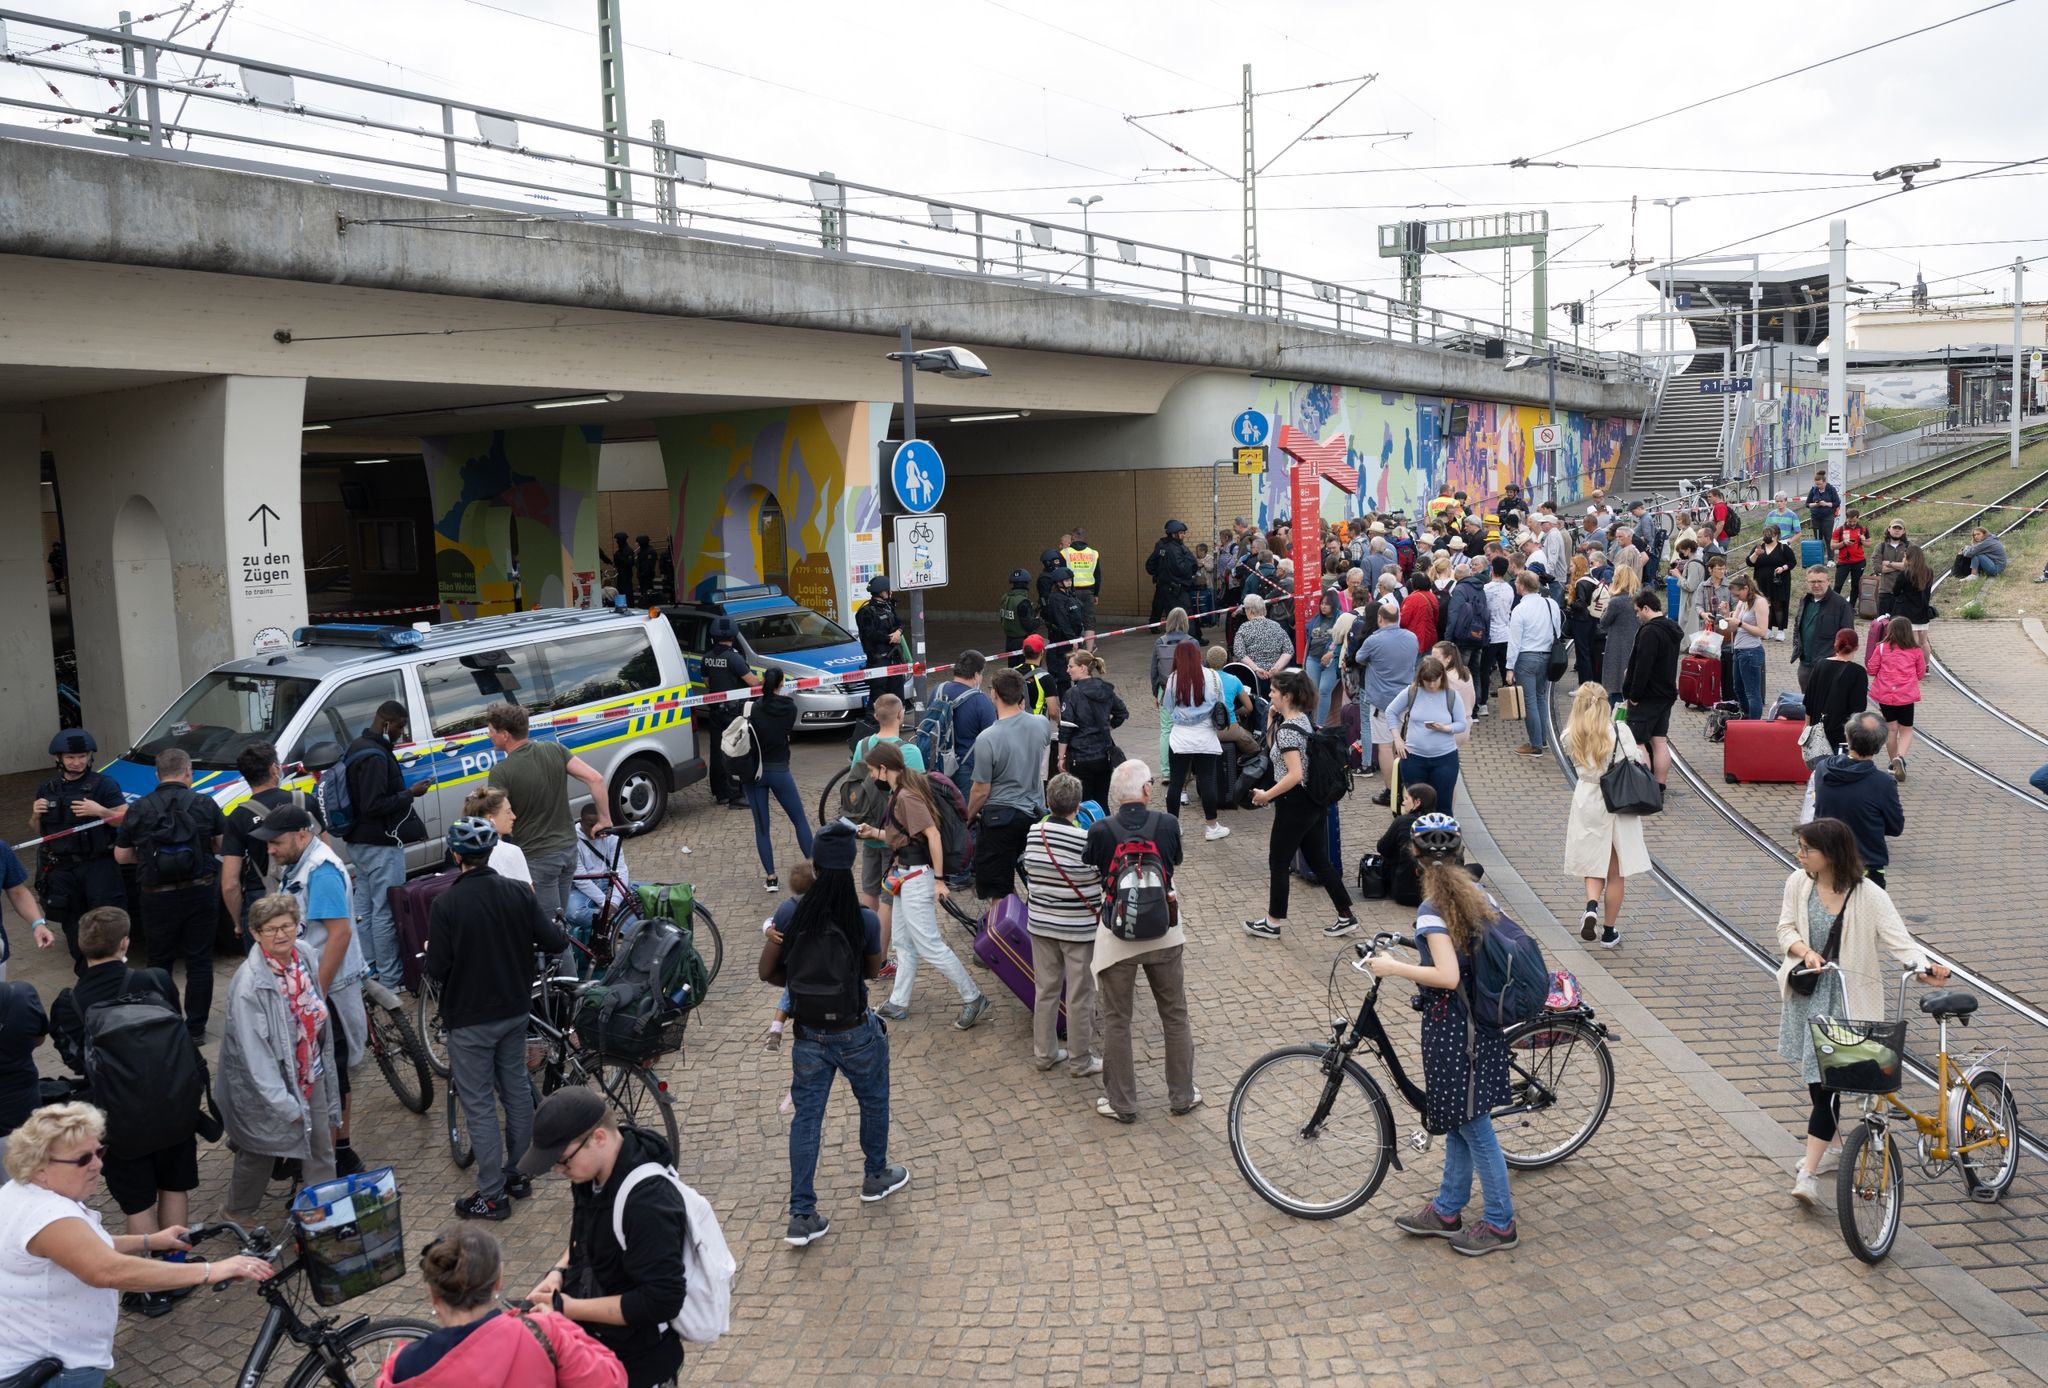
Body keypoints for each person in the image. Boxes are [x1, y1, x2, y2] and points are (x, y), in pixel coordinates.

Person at [0, 1103, 274, 1386]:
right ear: (40, 1168)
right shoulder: (49, 1215)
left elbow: (84, 1248)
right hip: (57, 1368)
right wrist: (212, 1271)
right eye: (83, 1159)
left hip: (35, 1355)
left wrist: (150, 1240)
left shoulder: (21, 1192)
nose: (98, 1165)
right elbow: (107, 1270)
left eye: (99, 1152)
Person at [1775, 817, 1947, 1205]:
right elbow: (1785, 929)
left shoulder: (1869, 895)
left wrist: (1924, 969)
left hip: (1847, 1001)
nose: (1800, 855)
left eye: (1807, 849)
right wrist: (1806, 952)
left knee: (1827, 1088)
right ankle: (1833, 1147)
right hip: (1807, 995)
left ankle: (1808, 1174)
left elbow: (1901, 942)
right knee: (1817, 1083)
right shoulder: (1798, 882)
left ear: (1831, 854)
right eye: (1800, 848)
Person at [749, 822, 903, 1251]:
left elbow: (767, 973)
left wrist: (798, 980)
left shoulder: (789, 913)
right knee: (873, 1100)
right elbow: (872, 971)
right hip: (854, 1029)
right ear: (850, 866)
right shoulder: (863, 919)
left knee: (807, 1119)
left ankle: (802, 1214)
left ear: (814, 864)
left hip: (808, 1034)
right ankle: (875, 1175)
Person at [1371, 814, 1518, 1256]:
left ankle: (1501, 1223)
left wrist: (1394, 967)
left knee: (1474, 1127)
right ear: (1458, 855)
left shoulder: (1432, 910)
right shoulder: (1477, 894)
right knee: (1459, 1119)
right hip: (1481, 1024)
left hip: (1456, 1030)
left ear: (1415, 860)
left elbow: (1448, 975)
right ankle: (1447, 1209)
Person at [46, 906, 200, 1317]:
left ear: (81, 948)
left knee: (137, 1204)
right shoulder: (157, 979)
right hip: (173, 1104)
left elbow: (74, 1058)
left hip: (117, 1119)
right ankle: (176, 1270)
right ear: (125, 943)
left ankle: (147, 1290)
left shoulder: (70, 1002)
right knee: (174, 1187)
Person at [426, 817, 570, 1221]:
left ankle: (491, 1196)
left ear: (455, 855)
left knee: (479, 1104)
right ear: (492, 852)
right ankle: (519, 1175)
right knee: (516, 1091)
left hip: (469, 1019)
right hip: (514, 1010)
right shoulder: (517, 893)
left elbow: (437, 968)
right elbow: (554, 941)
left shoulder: (446, 904)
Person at [517, 1089, 690, 1386]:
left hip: (638, 1366)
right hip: (599, 1351)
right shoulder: (591, 1173)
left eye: (563, 1161)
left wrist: (566, 1308)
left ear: (598, 1138)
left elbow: (661, 1301)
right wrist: (558, 1272)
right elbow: (588, 1236)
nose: (558, 1171)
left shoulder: (648, 1205)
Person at [255, 804, 371, 1177]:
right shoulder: (301, 864)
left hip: (328, 990)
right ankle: (336, 1150)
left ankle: (336, 1155)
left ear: (302, 836)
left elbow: (339, 935)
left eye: (276, 842)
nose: (270, 849)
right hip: (317, 989)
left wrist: (315, 994)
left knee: (331, 1074)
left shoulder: (321, 872)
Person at [215, 893, 342, 1223]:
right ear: (255, 933)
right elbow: (255, 1054)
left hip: (310, 1072)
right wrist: (285, 1104)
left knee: (320, 1146)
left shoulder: (305, 954)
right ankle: (237, 1213)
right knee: (262, 1149)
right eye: (271, 929)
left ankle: (320, 1214)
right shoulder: (249, 985)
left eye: (287, 926)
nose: (281, 934)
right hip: (268, 1086)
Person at [1085, 761, 1197, 1123]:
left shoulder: (1100, 830)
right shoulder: (1167, 824)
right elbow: (1175, 861)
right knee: (1174, 1015)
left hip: (1117, 936)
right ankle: (1182, 1095)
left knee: (1118, 1019)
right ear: (1147, 790)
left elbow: (1092, 868)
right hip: (1165, 930)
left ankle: (1123, 1103)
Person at [376, 1225, 625, 1387]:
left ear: (432, 1294)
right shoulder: (543, 1333)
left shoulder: (404, 1366)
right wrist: (559, 1324)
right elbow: (612, 1380)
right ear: (498, 1280)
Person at [859, 742, 989, 1029]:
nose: (871, 776)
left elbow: (932, 835)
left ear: (884, 768)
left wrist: (939, 881)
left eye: (872, 771)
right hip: (905, 876)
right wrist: (874, 832)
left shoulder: (906, 796)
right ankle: (898, 1002)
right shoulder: (899, 793)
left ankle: (973, 996)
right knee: (903, 942)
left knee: (929, 944)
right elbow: (904, 836)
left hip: (916, 878)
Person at [111, 747, 225, 1041]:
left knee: (159, 961)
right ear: (188, 772)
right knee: (199, 961)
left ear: (156, 774)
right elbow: (220, 844)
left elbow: (121, 856)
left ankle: (166, 1024)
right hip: (200, 891)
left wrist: (148, 861)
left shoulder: (139, 808)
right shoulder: (205, 803)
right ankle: (196, 1030)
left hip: (156, 894)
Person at [1245, 671, 1358, 942]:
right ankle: (1345, 915)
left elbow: (1294, 774)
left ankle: (1272, 922)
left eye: (1273, 691)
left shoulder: (1288, 731)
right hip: (1312, 801)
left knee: (1278, 861)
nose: (1270, 694)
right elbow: (1276, 753)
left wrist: (1267, 795)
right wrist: (1271, 719)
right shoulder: (1300, 721)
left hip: (1294, 804)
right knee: (1318, 860)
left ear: (1286, 696)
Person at [487, 702, 612, 921]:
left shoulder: (501, 772)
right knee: (560, 920)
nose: (489, 735)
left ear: (505, 734)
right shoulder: (555, 749)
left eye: (491, 731)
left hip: (538, 857)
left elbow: (497, 820)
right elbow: (596, 779)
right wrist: (605, 819)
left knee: (550, 929)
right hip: (568, 850)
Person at [337, 700, 433, 988]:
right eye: (400, 727)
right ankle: (391, 980)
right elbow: (374, 804)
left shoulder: (356, 746)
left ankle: (369, 971)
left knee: (364, 910)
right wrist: (410, 793)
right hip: (380, 844)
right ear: (387, 723)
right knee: (385, 911)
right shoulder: (376, 757)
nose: (401, 734)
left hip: (359, 842)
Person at [1015, 774, 1102, 1077]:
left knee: (1045, 991)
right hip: (1078, 928)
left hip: (1041, 924)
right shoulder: (1085, 840)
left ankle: (1045, 1053)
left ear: (1048, 802)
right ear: (1078, 806)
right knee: (1080, 995)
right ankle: (1080, 1060)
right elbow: (1098, 877)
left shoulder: (1033, 833)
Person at [32, 728, 126, 978]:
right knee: (73, 927)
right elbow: (39, 832)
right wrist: (35, 815)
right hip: (62, 869)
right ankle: (87, 976)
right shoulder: (47, 788)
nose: (77, 762)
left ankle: (112, 974)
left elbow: (126, 819)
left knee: (106, 923)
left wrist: (100, 811)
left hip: (98, 865)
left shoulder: (104, 785)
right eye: (71, 757)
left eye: (82, 756)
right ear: (59, 759)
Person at [1561, 682, 1650, 949]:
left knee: (1593, 861)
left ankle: (1591, 907)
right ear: (1605, 704)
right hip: (1618, 801)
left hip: (1588, 799)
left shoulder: (1570, 734)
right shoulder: (1619, 730)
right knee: (1615, 872)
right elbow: (1636, 759)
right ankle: (1609, 932)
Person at [221, 741, 323, 950]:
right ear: (274, 769)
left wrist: (239, 923)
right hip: (310, 892)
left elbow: (230, 884)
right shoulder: (306, 801)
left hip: (263, 900)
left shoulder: (239, 816)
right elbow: (325, 852)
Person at [966, 668, 1054, 896]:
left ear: (994, 694)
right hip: (1034, 813)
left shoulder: (986, 738)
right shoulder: (1041, 724)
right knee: (1037, 881)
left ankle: (1005, 917)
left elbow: (981, 790)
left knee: (999, 890)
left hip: (1000, 819)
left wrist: (967, 817)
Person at [724, 669, 812, 893]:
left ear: (763, 682)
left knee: (762, 826)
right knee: (799, 820)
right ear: (781, 683)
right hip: (780, 770)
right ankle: (815, 869)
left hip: (754, 773)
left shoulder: (752, 708)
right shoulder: (790, 708)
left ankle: (771, 878)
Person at [847, 694, 922, 916]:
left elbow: (855, 783)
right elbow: (920, 796)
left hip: (869, 828)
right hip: (895, 835)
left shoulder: (862, 745)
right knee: (889, 898)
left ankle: (869, 935)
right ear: (900, 715)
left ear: (876, 716)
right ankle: (882, 939)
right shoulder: (909, 752)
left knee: (869, 891)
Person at [1813, 713, 1903, 888]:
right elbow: (1895, 827)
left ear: (1847, 737)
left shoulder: (1823, 768)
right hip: (1866, 867)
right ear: (1880, 745)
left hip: (1827, 862)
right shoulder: (1883, 783)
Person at [1159, 643, 1228, 843]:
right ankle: (1212, 826)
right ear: (1199, 656)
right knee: (1206, 781)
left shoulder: (1173, 678)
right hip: (1206, 735)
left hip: (1180, 737)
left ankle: (1174, 826)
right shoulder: (1213, 676)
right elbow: (1221, 703)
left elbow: (1168, 706)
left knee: (1176, 782)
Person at [1385, 655, 1468, 819]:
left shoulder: (1451, 695)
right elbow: (1390, 711)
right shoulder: (1412, 692)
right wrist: (1397, 739)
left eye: (1435, 680)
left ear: (1441, 677)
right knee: (1416, 806)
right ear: (1420, 678)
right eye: (1427, 681)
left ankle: (1443, 834)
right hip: (1414, 758)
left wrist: (1445, 728)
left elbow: (1461, 724)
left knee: (1443, 805)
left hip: (1445, 758)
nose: (1431, 685)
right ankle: (1416, 834)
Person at [1357, 600, 1422, 795]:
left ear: (1380, 618)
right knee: (1400, 744)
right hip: (1406, 699)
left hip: (1382, 701)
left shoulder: (1374, 640)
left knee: (1384, 746)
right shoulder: (1412, 637)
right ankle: (1403, 786)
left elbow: (1359, 658)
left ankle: (1391, 791)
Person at [1622, 590, 1683, 790]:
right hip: (1666, 694)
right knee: (1659, 741)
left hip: (1648, 696)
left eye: (1637, 611)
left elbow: (1643, 667)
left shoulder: (1650, 632)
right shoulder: (1672, 628)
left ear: (1646, 608)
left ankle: (1644, 788)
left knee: (1638, 742)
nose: (1637, 615)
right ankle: (1659, 786)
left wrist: (1634, 695)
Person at [698, 617, 760, 810]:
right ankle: (737, 796)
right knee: (736, 751)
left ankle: (720, 793)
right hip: (733, 713)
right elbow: (753, 683)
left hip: (715, 711)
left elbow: (707, 683)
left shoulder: (707, 657)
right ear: (733, 636)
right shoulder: (735, 658)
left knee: (717, 751)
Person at [1057, 650, 1127, 813]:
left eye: (1071, 666)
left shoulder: (1072, 694)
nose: (1067, 670)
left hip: (1081, 757)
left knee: (1083, 804)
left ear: (1082, 668)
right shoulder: (1105, 689)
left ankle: (1088, 829)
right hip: (1103, 755)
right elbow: (1121, 712)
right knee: (1102, 802)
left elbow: (1065, 729)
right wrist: (1106, 727)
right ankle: (1104, 827)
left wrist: (1061, 757)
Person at [1504, 571, 1560, 755]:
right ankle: (1542, 738)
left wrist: (1509, 667)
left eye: (1517, 583)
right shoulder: (1551, 604)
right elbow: (1557, 631)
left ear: (1521, 586)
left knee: (1529, 701)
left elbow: (1514, 641)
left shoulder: (1520, 609)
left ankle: (1535, 744)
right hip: (1547, 655)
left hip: (1526, 657)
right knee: (1540, 697)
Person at [1867, 616, 1926, 782]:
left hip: (1886, 696)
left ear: (1890, 631)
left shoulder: (1881, 648)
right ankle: (1900, 757)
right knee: (1906, 730)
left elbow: (1871, 670)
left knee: (1891, 729)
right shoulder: (1915, 651)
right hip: (1906, 696)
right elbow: (1921, 673)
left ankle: (1893, 763)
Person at [1802, 629, 1869, 757]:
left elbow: (1808, 700)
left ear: (1835, 644)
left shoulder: (1820, 664)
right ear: (1857, 647)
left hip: (1818, 732)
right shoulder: (1858, 672)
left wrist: (1807, 725)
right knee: (1838, 767)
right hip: (1842, 735)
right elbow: (1859, 709)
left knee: (1819, 766)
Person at [1790, 565, 1853, 694]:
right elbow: (1797, 625)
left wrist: (1840, 662)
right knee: (1806, 701)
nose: (1816, 585)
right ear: (1807, 582)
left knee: (1826, 702)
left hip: (1829, 666)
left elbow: (1848, 637)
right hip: (1805, 664)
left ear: (1829, 581)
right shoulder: (1805, 601)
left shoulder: (1841, 604)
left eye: (1820, 581)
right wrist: (1797, 646)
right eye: (1812, 581)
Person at [1373, 783, 1435, 908]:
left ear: (1417, 802)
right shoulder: (1442, 823)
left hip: (1406, 893)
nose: (1403, 803)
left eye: (1406, 799)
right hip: (1436, 892)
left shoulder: (1403, 821)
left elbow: (1382, 848)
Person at [854, 575, 906, 707]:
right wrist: (890, 638)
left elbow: (900, 623)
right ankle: (873, 720)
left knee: (897, 699)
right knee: (878, 701)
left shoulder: (888, 607)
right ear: (882, 592)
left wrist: (898, 632)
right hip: (879, 661)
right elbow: (870, 634)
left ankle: (896, 719)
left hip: (894, 659)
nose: (891, 592)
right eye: (889, 590)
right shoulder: (865, 612)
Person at [464, 787, 532, 886]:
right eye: (508, 812)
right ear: (490, 819)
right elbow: (528, 893)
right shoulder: (510, 852)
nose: (513, 816)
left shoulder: (465, 849)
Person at [1596, 565, 1642, 705]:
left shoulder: (1616, 601)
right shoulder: (1640, 598)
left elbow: (1604, 622)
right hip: (1635, 644)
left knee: (1615, 686)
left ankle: (1616, 715)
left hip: (1617, 647)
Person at [1727, 574, 1769, 721]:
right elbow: (1732, 628)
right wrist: (1725, 615)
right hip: (1739, 650)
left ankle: (1754, 723)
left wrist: (1740, 623)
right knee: (1738, 688)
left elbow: (1762, 632)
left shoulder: (1760, 602)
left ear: (1746, 588)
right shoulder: (1742, 602)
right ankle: (1746, 718)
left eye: (1737, 594)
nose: (1736, 598)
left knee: (1752, 692)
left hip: (1751, 651)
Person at [1231, 594, 1293, 695]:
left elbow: (1239, 652)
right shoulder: (1276, 626)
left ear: (1250, 611)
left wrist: (1256, 669)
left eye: (1245, 609)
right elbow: (1289, 650)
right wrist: (1276, 668)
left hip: (1253, 677)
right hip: (1276, 677)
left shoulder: (1244, 628)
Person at [1746, 526, 1796, 640]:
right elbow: (1749, 562)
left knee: (1778, 604)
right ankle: (1767, 629)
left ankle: (1780, 630)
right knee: (1764, 605)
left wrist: (1783, 568)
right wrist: (1756, 554)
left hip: (1778, 581)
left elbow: (1792, 562)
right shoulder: (1759, 547)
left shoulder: (1783, 548)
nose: (1767, 537)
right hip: (1761, 582)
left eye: (1770, 535)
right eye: (1765, 535)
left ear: (1776, 535)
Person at [1146, 519, 1197, 625]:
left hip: (1165, 585)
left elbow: (1150, 565)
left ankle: (1155, 625)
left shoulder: (1163, 546)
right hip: (1174, 588)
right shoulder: (1175, 548)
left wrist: (1159, 574)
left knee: (1162, 608)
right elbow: (1183, 568)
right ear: (1173, 534)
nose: (1183, 535)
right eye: (1181, 533)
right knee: (1182, 614)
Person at [1303, 591, 1342, 725]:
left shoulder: (1341, 618)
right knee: (1312, 692)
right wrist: (1305, 660)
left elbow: (1345, 642)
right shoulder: (1316, 619)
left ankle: (1320, 725)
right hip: (1313, 658)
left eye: (1327, 604)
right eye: (1322, 603)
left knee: (1324, 690)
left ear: (1334, 604)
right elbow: (1308, 640)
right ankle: (1309, 723)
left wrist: (1332, 653)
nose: (1323, 606)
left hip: (1332, 661)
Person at [1061, 526, 1101, 650]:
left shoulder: (1065, 553)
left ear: (1072, 537)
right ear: (1083, 537)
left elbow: (1061, 574)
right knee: (1089, 622)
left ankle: (1075, 652)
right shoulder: (1093, 553)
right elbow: (1098, 575)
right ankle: (1089, 652)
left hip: (1071, 592)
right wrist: (1096, 594)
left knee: (1072, 620)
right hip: (1089, 591)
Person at [1430, 642, 1476, 744]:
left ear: (1448, 658)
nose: (1432, 662)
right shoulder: (1465, 673)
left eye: (1436, 659)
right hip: (1465, 725)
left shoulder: (1445, 678)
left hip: (1448, 728)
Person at [1482, 557, 1514, 706]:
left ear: (1492, 569)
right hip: (1506, 633)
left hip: (1491, 635)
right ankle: (1509, 701)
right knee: (1505, 667)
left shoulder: (1486, 589)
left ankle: (1483, 701)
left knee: (1484, 669)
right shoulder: (1509, 588)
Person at [1873, 521, 1912, 617]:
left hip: (1904, 592)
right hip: (1885, 591)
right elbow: (1877, 568)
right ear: (1889, 529)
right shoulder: (1880, 547)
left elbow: (1910, 566)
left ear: (1903, 531)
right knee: (1883, 622)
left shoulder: (1910, 546)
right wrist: (1901, 566)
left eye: (1899, 528)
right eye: (1894, 528)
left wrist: (1889, 563)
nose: (1897, 531)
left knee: (1902, 623)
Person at [1833, 509, 1869, 599]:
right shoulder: (1839, 530)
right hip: (1844, 562)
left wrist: (1863, 540)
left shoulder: (1863, 529)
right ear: (1846, 518)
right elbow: (1832, 546)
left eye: (1854, 521)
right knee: (1838, 585)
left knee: (1856, 585)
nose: (1852, 523)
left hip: (1859, 562)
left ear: (1858, 518)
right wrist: (1843, 543)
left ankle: (1851, 605)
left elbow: (1869, 544)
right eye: (1850, 521)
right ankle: (1834, 604)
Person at [1804, 472, 1841, 560]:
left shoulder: (1831, 489)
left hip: (1828, 516)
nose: (1818, 486)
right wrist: (1815, 504)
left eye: (1820, 484)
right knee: (1817, 537)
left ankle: (1831, 558)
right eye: (1817, 484)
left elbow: (1837, 502)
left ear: (1825, 482)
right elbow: (1807, 504)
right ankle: (1819, 557)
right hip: (1815, 517)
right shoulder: (1814, 489)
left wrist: (1826, 504)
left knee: (1828, 537)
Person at [1673, 538, 1706, 634]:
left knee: (1689, 630)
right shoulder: (1696, 560)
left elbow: (1690, 586)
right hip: (1694, 600)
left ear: (1688, 550)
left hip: (1691, 602)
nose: (1681, 553)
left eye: (1682, 551)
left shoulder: (1693, 564)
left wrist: (1678, 576)